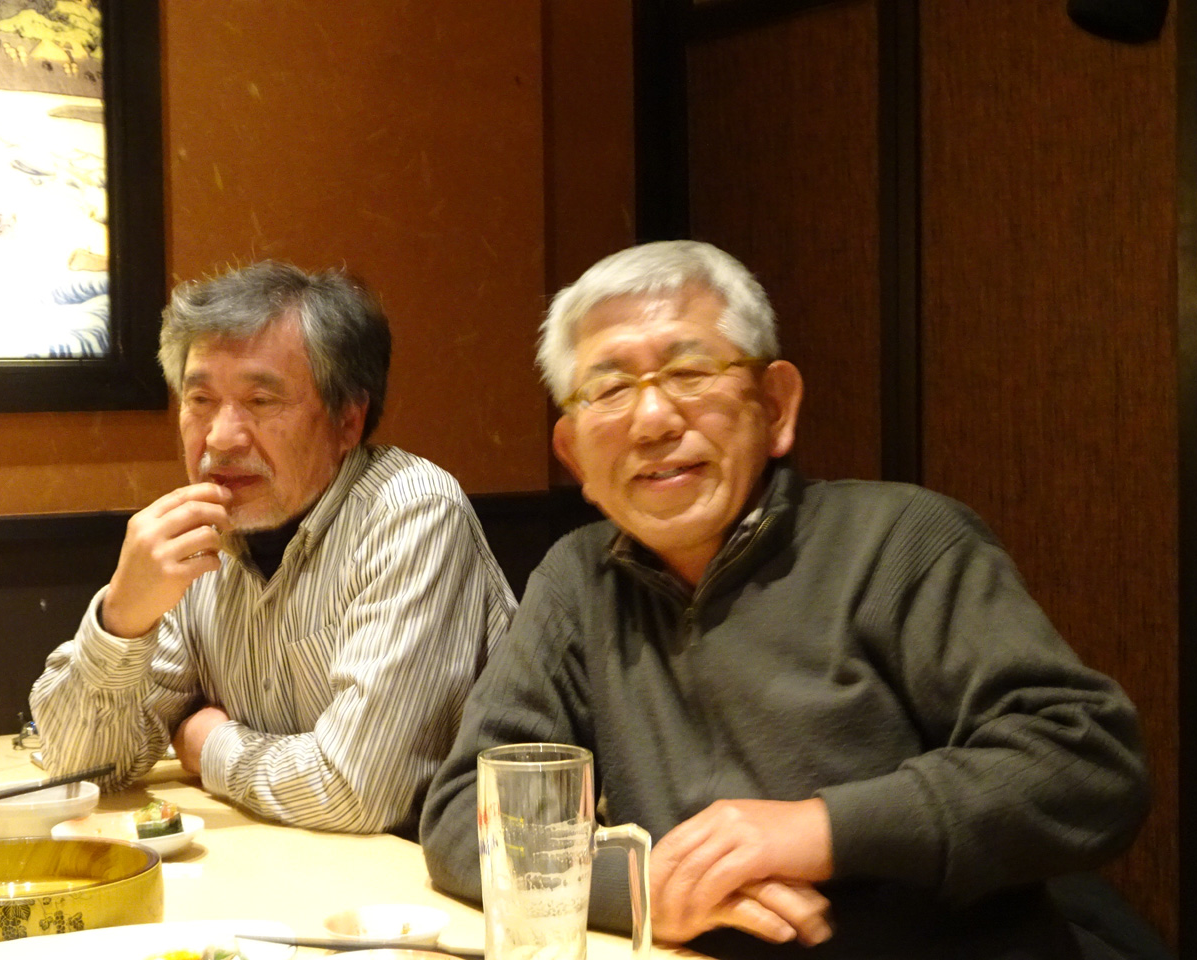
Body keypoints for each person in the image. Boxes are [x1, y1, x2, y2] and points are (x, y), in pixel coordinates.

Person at [420, 241, 1151, 958]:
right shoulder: (578, 580)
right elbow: (463, 818)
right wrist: (644, 888)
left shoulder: (901, 541)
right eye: (610, 390)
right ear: (575, 453)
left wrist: (820, 831)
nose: (653, 420)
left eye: (689, 372)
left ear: (775, 405)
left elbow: (1086, 761)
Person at [31, 261, 515, 836]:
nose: (220, 438)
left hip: (445, 877)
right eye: (200, 399)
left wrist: (211, 744)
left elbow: (356, 791)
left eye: (261, 401)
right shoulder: (199, 536)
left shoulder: (410, 511)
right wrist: (121, 621)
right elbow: (76, 769)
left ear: (348, 420)